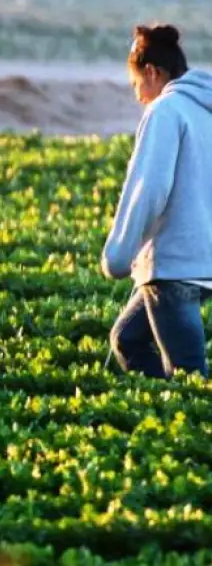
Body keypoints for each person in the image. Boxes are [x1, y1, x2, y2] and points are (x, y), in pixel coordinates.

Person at [102, 23, 212, 379]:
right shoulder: (205, 110)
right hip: (201, 262)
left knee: (190, 376)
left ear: (152, 72)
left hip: (175, 263)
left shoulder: (166, 110)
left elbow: (148, 189)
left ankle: (186, 426)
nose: (137, 95)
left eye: (136, 84)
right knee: (127, 337)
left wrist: (118, 256)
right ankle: (167, 415)